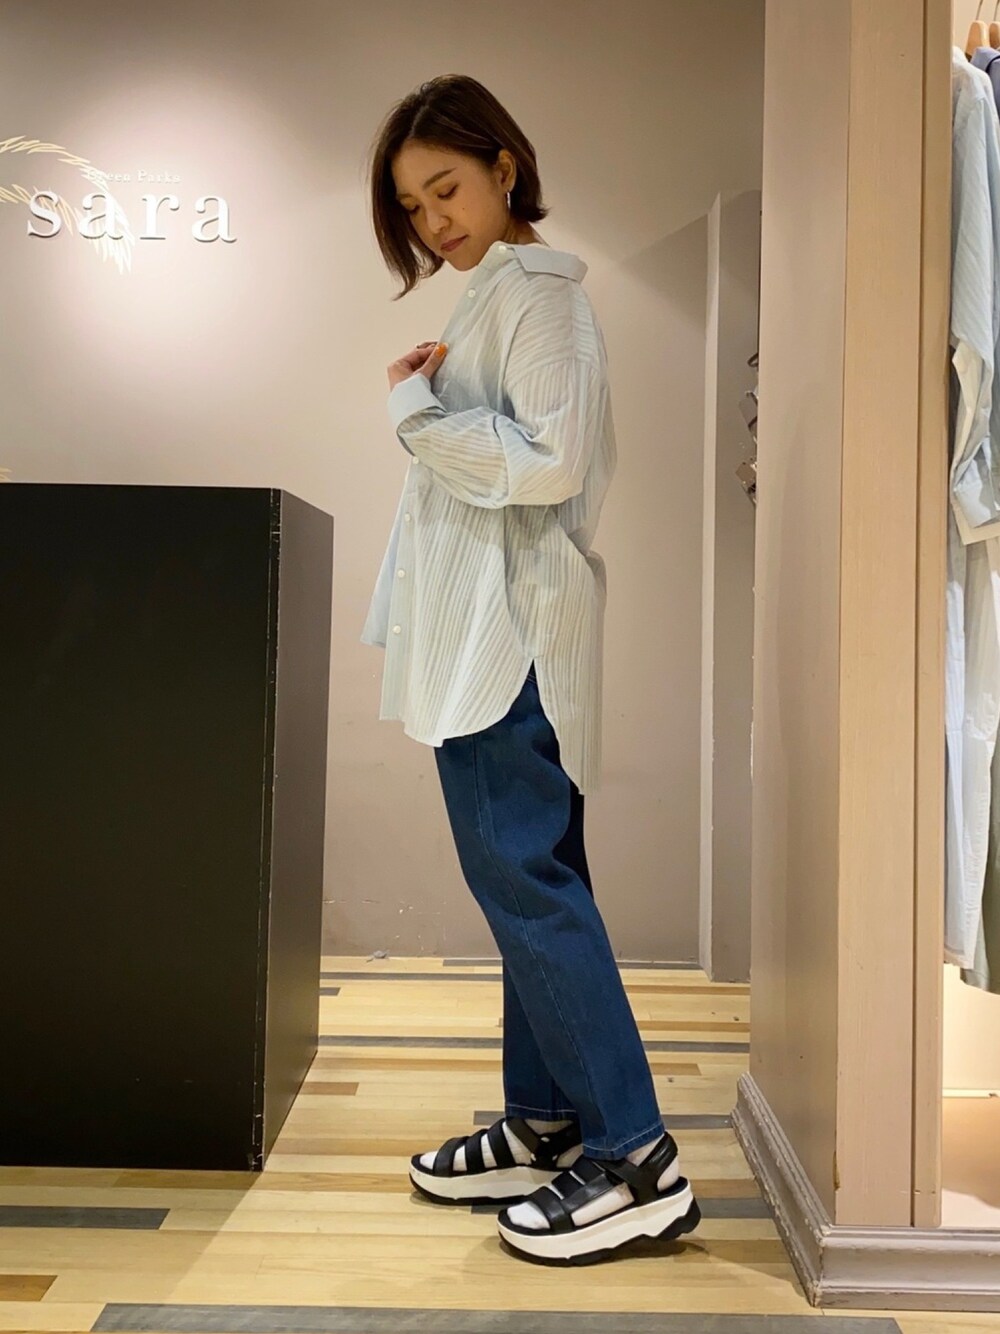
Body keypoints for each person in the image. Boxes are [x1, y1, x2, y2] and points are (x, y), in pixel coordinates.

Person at [361, 73, 700, 1265]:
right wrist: (434, 398)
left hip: (506, 635)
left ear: (504, 166)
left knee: (525, 879)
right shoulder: (499, 296)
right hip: (490, 629)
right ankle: (549, 1118)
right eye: (413, 206)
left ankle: (636, 1157)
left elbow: (548, 464)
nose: (433, 220)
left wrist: (415, 410)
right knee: (532, 875)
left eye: (445, 187)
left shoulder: (541, 299)